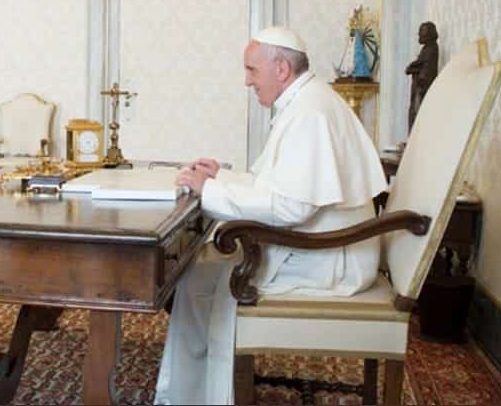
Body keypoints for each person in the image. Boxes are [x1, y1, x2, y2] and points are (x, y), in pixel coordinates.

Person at [155, 27, 387, 405]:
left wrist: (208, 192)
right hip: (323, 245)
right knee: (198, 272)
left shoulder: (310, 112)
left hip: (328, 258)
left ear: (281, 69)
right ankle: (192, 393)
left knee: (201, 276)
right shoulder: (306, 100)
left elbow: (293, 207)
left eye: (251, 70)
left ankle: (197, 397)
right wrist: (220, 178)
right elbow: (277, 185)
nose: (247, 81)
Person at [405, 21, 439, 131]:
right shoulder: (427, 48)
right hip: (419, 89)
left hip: (421, 89)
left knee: (417, 119)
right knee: (414, 117)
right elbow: (420, 65)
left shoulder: (432, 49)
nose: (419, 34)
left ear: (429, 33)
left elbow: (427, 72)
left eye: (422, 31)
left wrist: (412, 69)